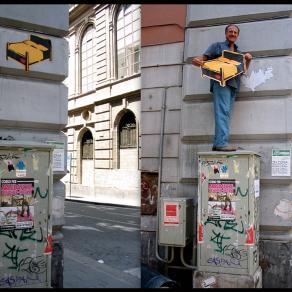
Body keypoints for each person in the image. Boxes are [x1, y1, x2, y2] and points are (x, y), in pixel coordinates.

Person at [192, 24, 252, 151]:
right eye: (230, 31)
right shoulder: (217, 46)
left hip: (233, 86)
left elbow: (244, 71)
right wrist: (197, 61)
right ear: (226, 34)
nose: (233, 34)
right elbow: (201, 59)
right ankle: (221, 143)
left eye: (235, 32)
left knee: (225, 114)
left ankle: (218, 142)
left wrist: (248, 60)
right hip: (221, 83)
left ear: (237, 35)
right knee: (223, 112)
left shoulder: (238, 53)